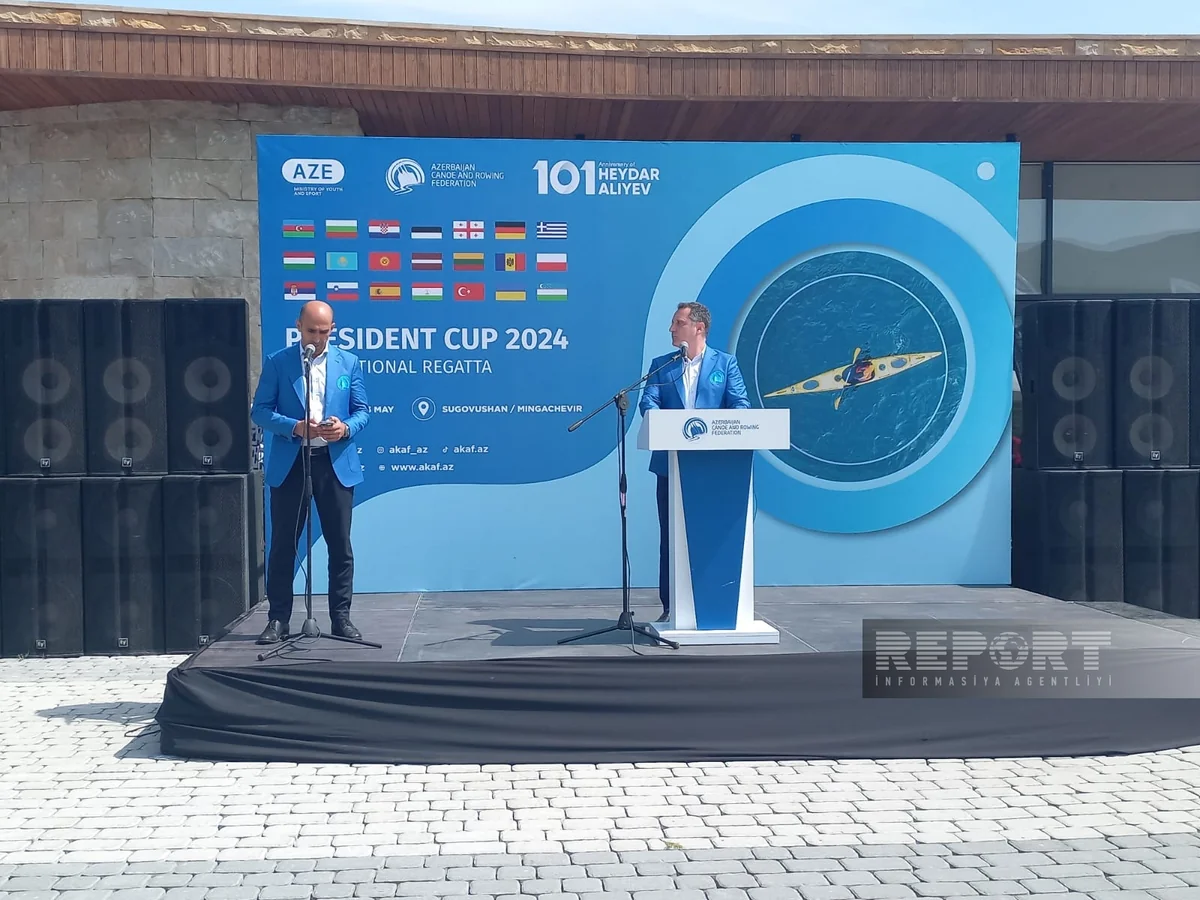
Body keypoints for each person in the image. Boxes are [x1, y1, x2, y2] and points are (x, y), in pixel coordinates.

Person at [251, 300, 370, 644]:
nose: (317, 339)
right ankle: (278, 619)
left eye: (324, 332)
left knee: (340, 544)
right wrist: (294, 426)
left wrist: (344, 428)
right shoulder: (279, 362)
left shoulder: (349, 362)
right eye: (311, 331)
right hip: (293, 463)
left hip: (334, 464)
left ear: (333, 330)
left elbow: (363, 410)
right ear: (298, 327)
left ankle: (341, 618)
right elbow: (260, 411)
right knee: (283, 544)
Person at [638, 302, 751, 622]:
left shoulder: (725, 364)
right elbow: (648, 402)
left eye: (679, 323)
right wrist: (666, 424)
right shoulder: (662, 365)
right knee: (671, 536)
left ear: (699, 328)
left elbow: (740, 405)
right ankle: (670, 606)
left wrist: (719, 428)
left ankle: (714, 601)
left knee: (711, 534)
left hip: (714, 467)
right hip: (670, 466)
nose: (672, 329)